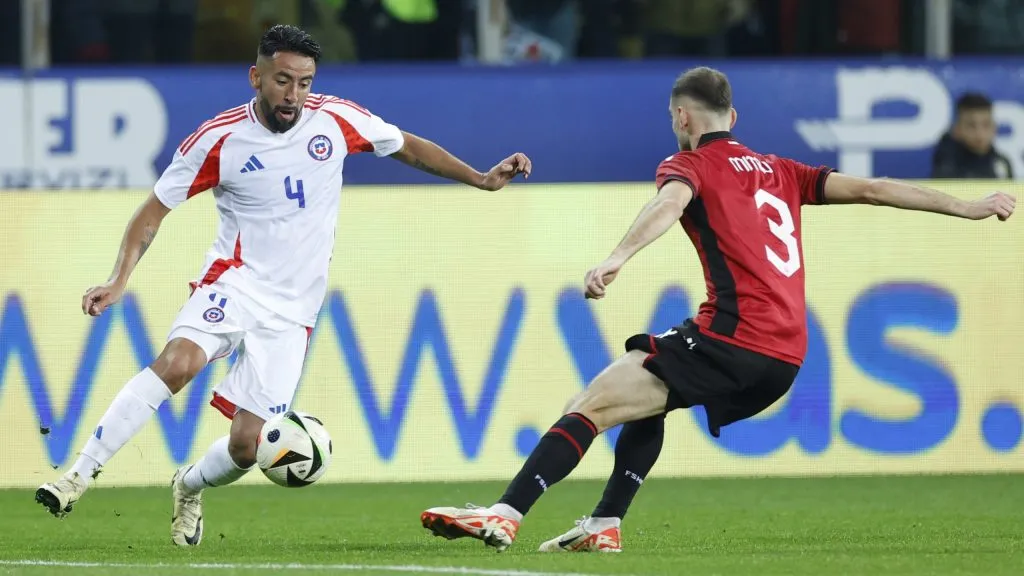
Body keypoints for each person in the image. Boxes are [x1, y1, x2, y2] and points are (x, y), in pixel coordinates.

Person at [420, 66, 1016, 553]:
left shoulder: (689, 165)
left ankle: (505, 513)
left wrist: (617, 257)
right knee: (648, 375)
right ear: (734, 118)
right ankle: (605, 523)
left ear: (682, 117)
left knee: (592, 404)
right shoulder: (786, 171)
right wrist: (970, 206)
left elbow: (670, 205)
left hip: (735, 338)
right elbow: (876, 188)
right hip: (785, 356)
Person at [35, 24, 532, 547]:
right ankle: (79, 474)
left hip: (294, 311)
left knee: (249, 448)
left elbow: (407, 147)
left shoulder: (336, 121)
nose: (294, 95)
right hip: (236, 284)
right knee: (179, 362)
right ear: (256, 77)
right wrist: (119, 279)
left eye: (304, 83)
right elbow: (154, 210)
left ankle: (188, 485)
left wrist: (479, 178)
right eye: (282, 81)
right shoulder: (219, 139)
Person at [931, 92, 1013, 180]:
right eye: (971, 125)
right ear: (957, 129)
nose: (979, 133)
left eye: (986, 125)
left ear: (994, 127)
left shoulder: (1002, 164)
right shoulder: (947, 164)